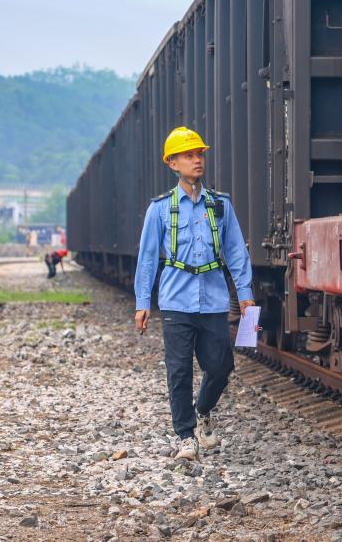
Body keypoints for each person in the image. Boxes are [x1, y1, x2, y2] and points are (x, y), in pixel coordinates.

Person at [134, 126, 254, 461]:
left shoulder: (220, 205)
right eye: (189, 155)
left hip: (213, 300)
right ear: (173, 163)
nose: (197, 159)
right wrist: (143, 302)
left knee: (220, 367)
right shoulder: (160, 209)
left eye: (199, 153)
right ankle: (186, 437)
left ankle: (203, 411)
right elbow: (146, 259)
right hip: (175, 301)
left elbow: (236, 252)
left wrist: (245, 296)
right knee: (179, 370)